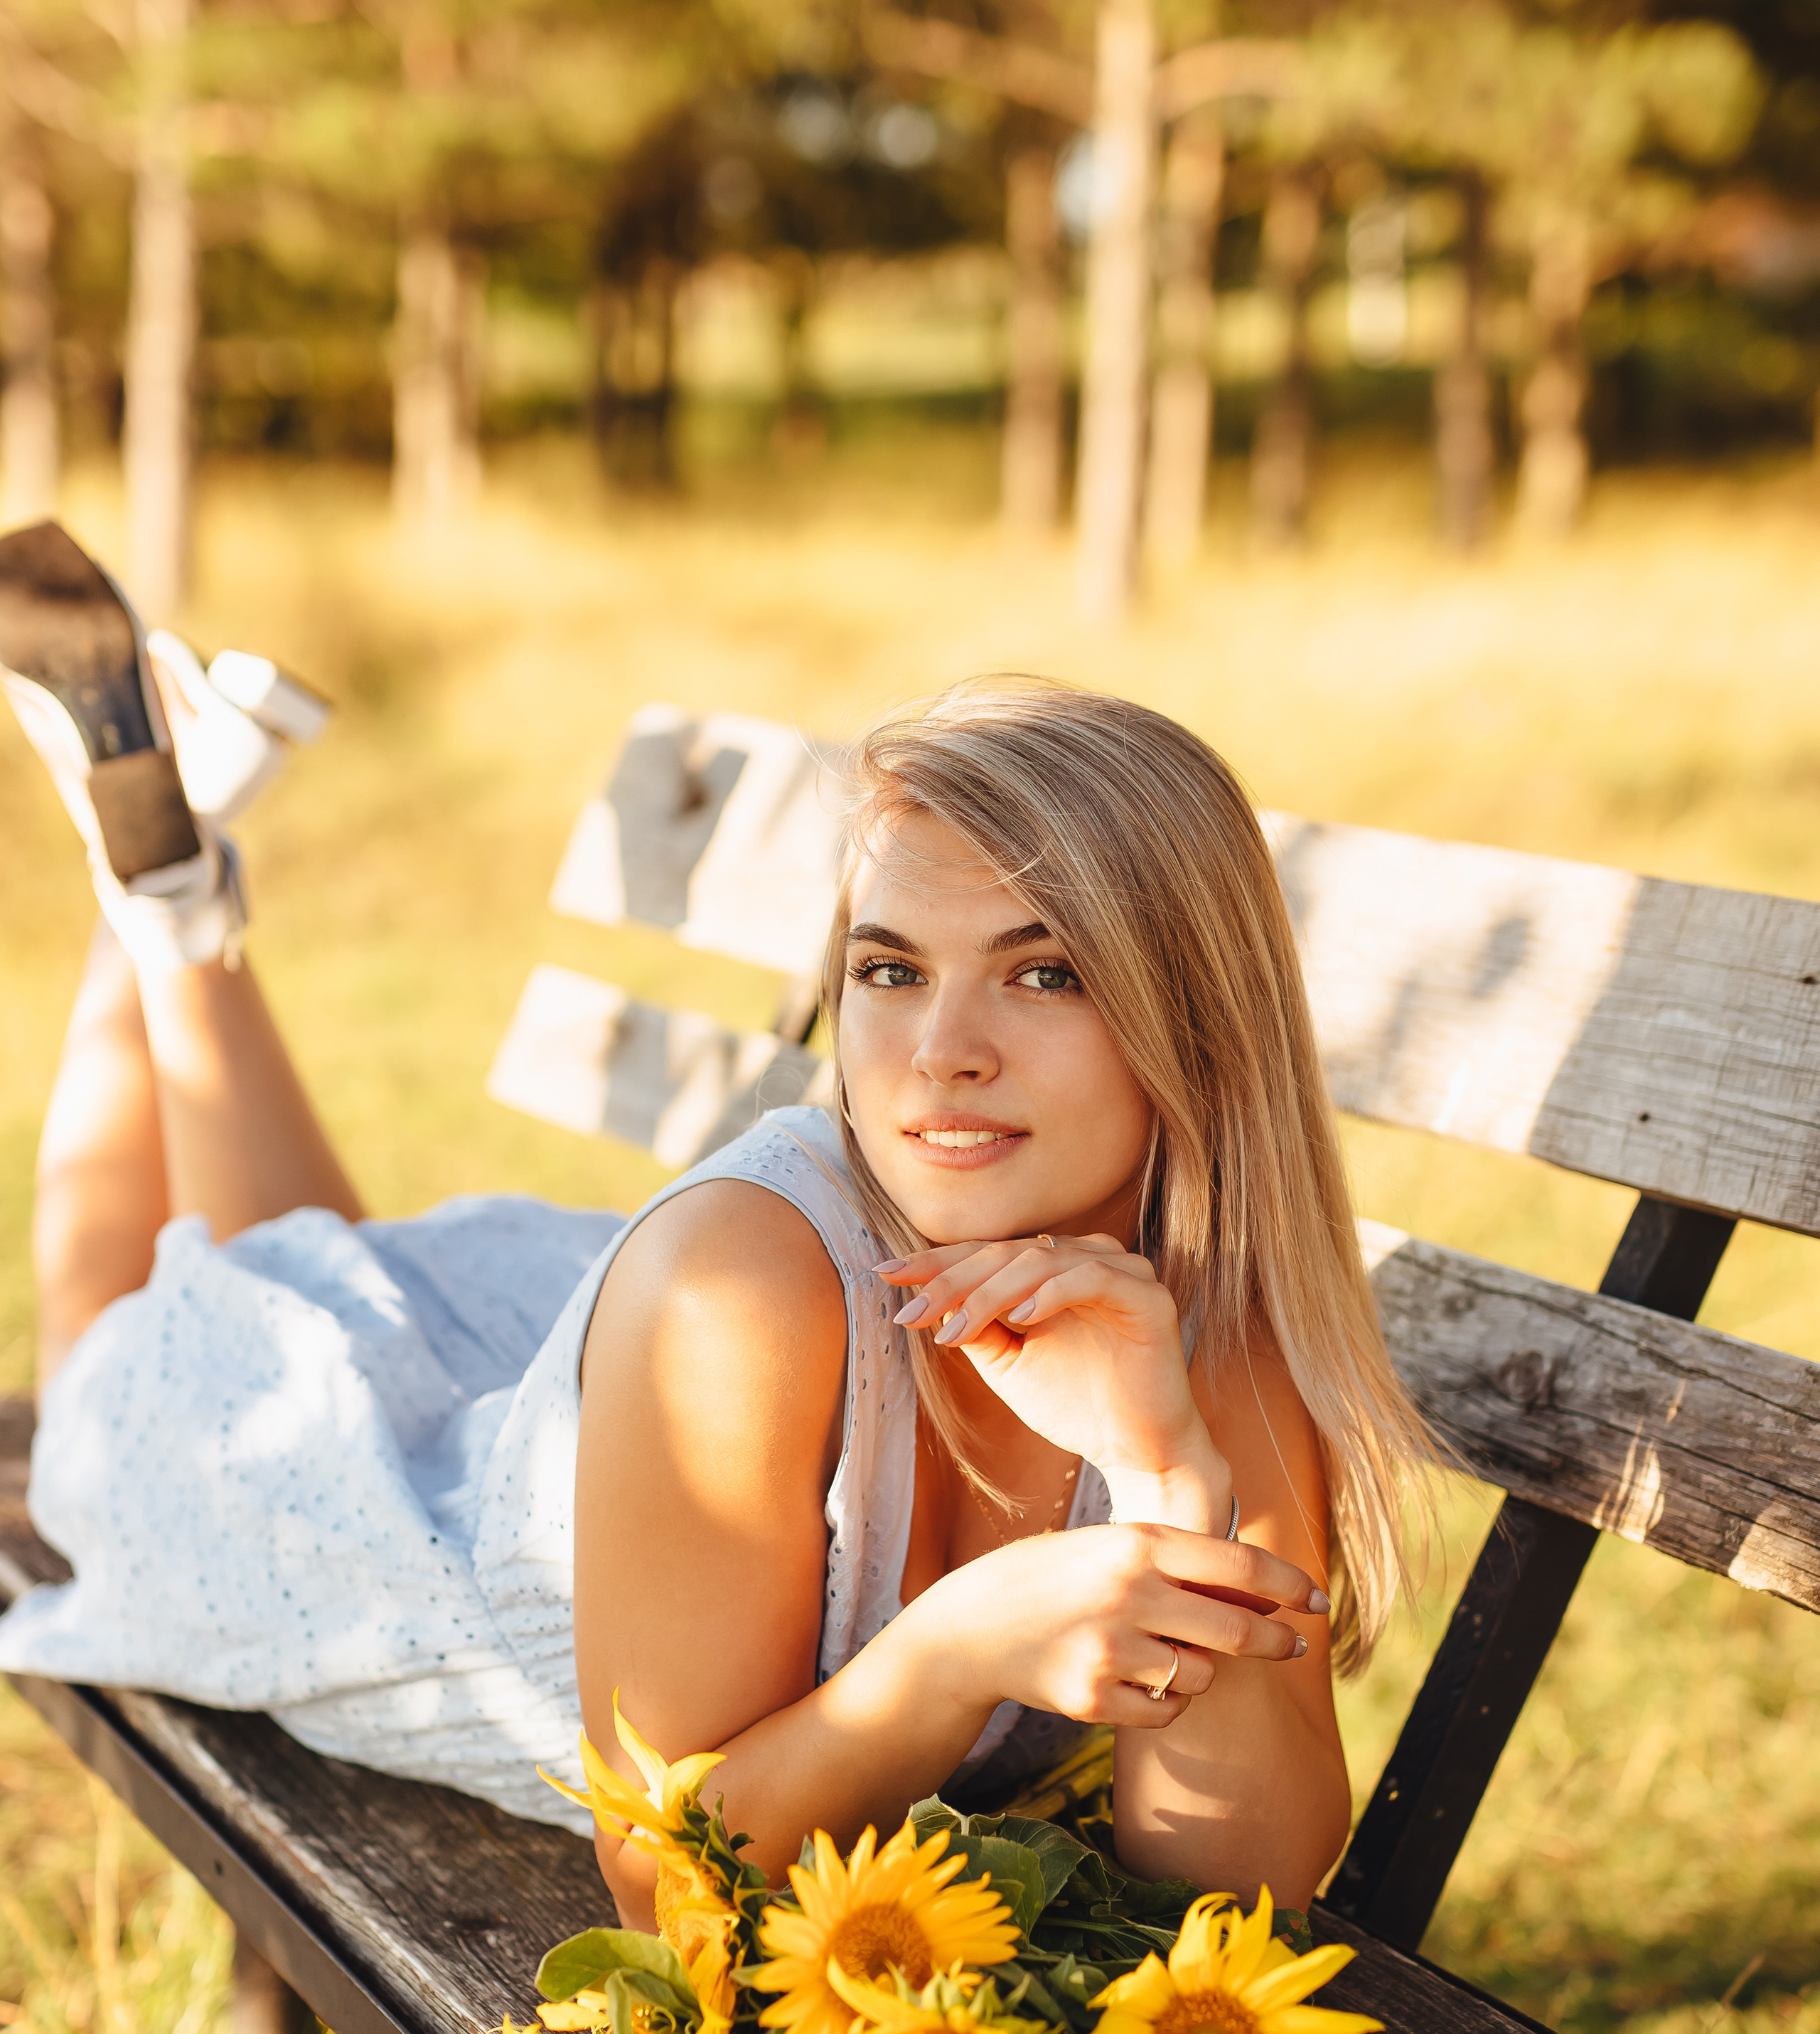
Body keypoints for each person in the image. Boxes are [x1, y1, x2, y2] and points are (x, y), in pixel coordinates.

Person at [0, 521, 1431, 1934]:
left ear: (1194, 1016)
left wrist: (1164, 1470)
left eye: (1042, 973)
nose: (940, 1051)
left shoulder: (1200, 1323)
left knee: (303, 1299)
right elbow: (665, 1885)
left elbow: (1242, 1885)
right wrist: (947, 1656)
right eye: (887, 969)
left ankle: (177, 892)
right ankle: (157, 901)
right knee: (109, 1389)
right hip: (364, 1565)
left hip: (540, 1422)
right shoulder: (738, 1291)